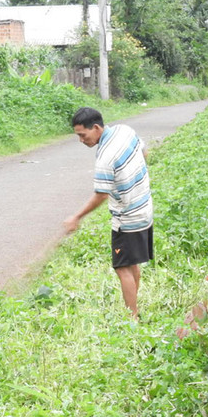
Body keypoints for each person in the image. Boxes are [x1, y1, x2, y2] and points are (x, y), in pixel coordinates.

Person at [63, 106, 154, 318]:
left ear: (96, 128)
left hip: (127, 218)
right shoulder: (125, 131)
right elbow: (144, 152)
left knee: (122, 268)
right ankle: (133, 306)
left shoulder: (105, 157)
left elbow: (101, 195)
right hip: (145, 208)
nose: (81, 140)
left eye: (82, 135)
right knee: (133, 264)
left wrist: (76, 217)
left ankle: (131, 317)